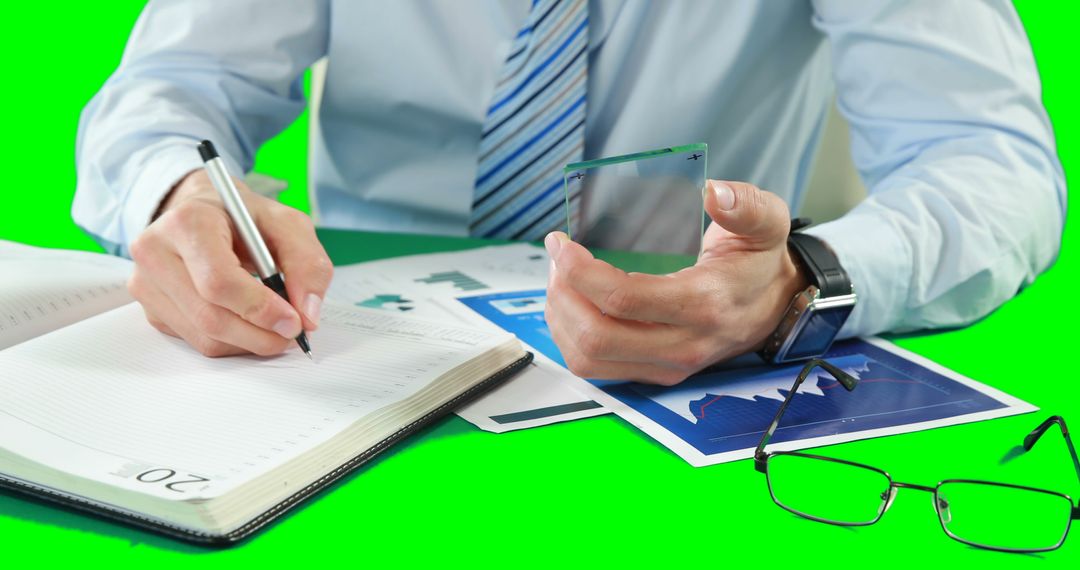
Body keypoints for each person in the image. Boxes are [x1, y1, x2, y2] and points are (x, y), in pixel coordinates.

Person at [74, 1, 1065, 385]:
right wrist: (174, 200)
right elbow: (169, 92)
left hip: (699, 354)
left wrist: (806, 282)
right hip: (344, 342)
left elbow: (991, 159)